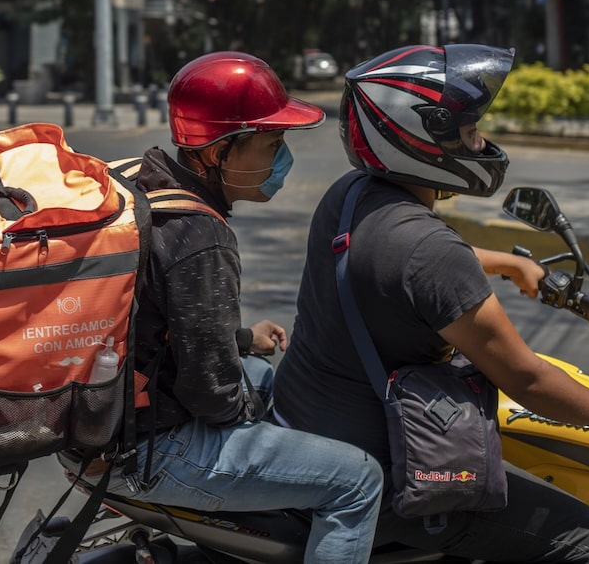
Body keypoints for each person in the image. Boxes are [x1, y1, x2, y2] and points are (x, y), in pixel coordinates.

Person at [271, 44, 589, 563]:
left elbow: (404, 268)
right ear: (419, 138)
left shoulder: (351, 195)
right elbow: (527, 380)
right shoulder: (429, 253)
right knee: (581, 538)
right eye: (467, 131)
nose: (480, 142)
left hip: (307, 425)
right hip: (380, 469)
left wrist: (506, 263)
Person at [92, 51, 383, 564]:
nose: (282, 159)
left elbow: (158, 321)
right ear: (218, 151)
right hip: (149, 451)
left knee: (262, 375)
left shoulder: (145, 180)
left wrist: (242, 340)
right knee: (357, 480)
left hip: (104, 423)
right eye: (272, 144)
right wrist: (250, 412)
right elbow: (212, 395)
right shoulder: (200, 235)